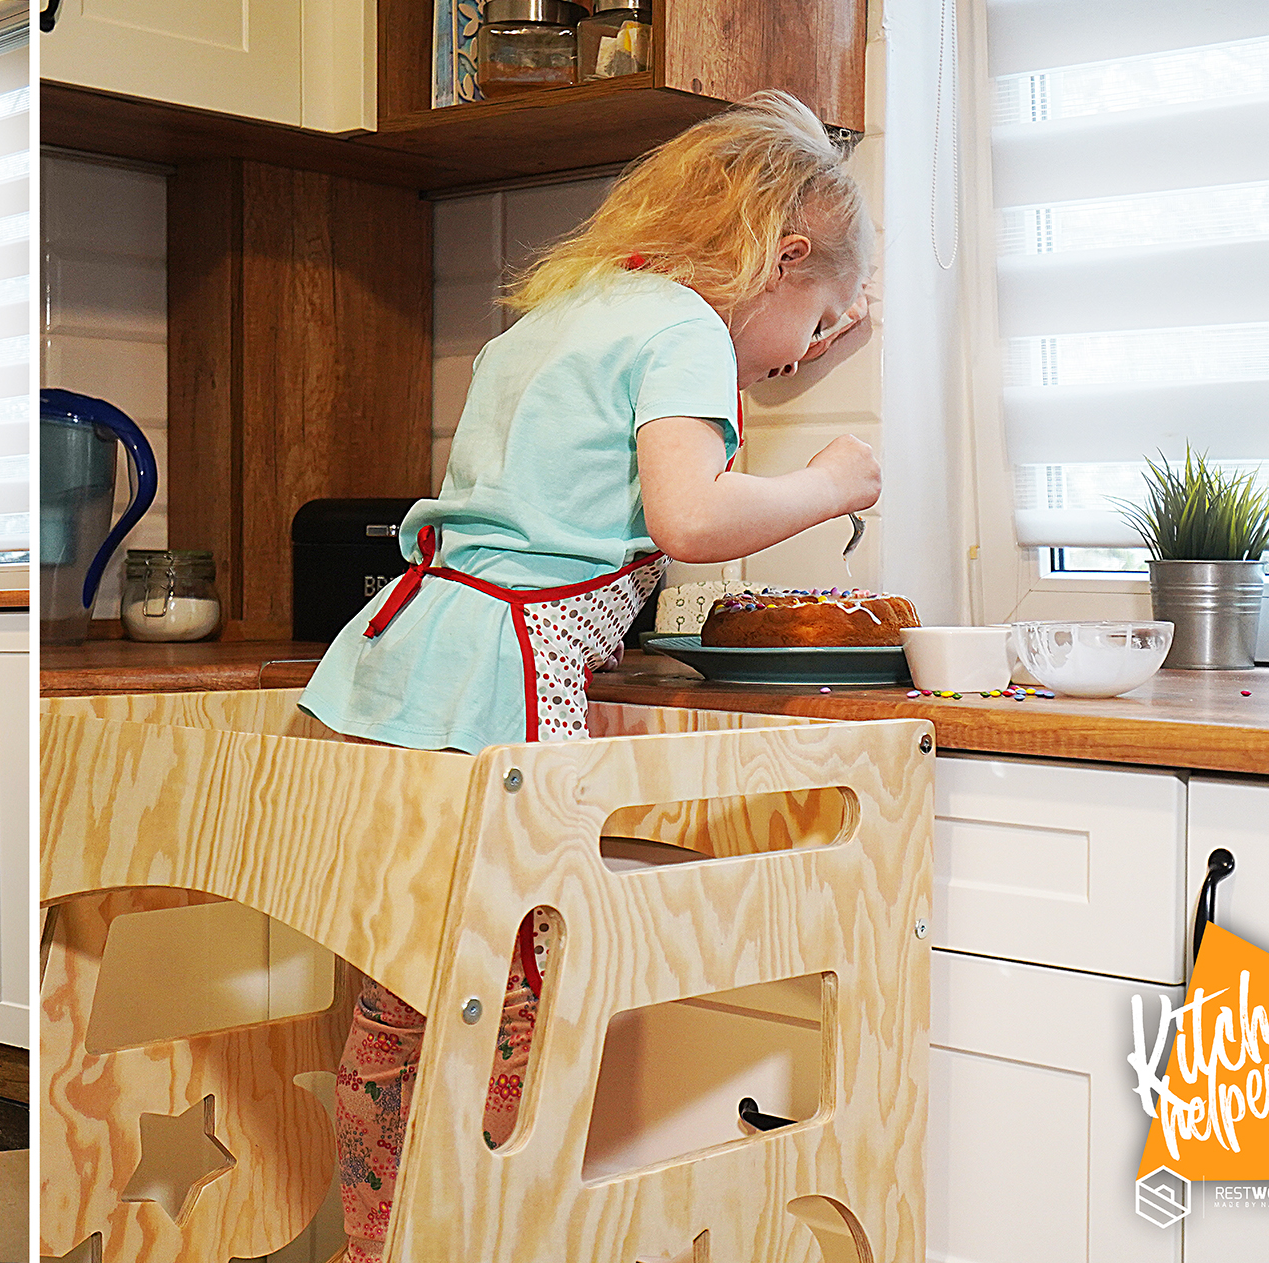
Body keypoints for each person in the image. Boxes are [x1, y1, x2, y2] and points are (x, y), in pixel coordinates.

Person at [295, 90, 879, 1260]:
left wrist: (811, 339)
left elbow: (722, 377)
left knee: (407, 992)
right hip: (503, 683)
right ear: (781, 258)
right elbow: (692, 514)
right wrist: (831, 484)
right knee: (518, 999)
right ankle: (490, 1240)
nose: (795, 354)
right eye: (813, 317)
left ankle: (383, 1239)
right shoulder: (685, 333)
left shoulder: (566, 316)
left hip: (407, 660)